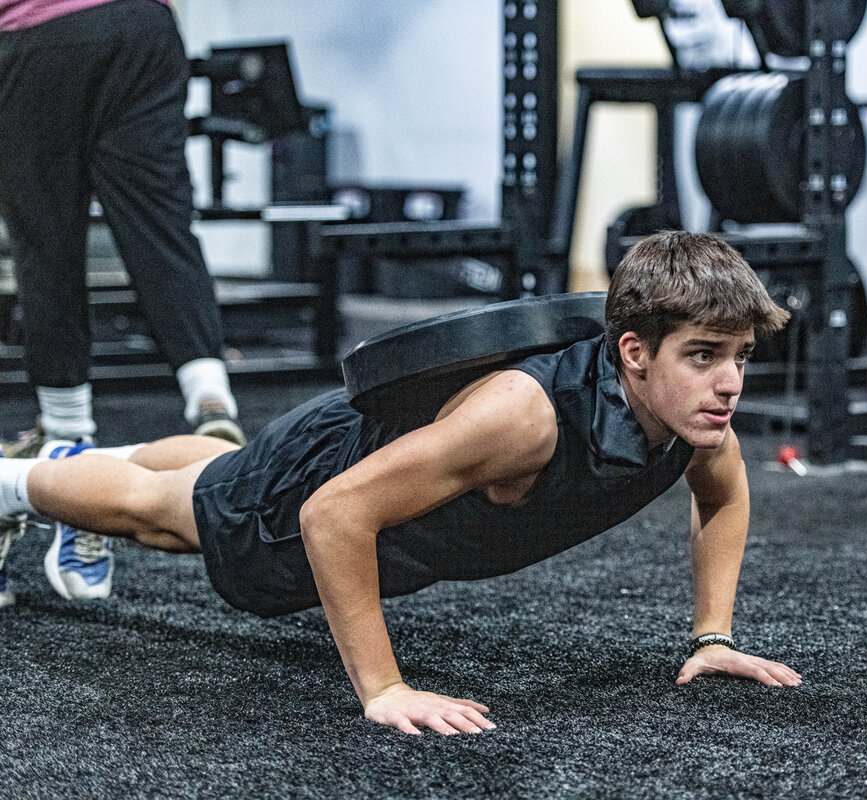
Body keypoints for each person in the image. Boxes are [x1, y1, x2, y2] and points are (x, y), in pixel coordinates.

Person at [0, 231, 802, 734]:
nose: (728, 382)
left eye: (739, 357)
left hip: (367, 452)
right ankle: (14, 486)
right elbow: (334, 513)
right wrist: (383, 688)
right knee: (160, 514)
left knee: (208, 475)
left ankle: (97, 465)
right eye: (704, 355)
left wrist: (714, 637)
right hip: (311, 485)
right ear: (635, 352)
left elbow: (723, 496)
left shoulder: (693, 423)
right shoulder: (526, 419)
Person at [0, 0, 244, 601]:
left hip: (38, 34)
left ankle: (67, 437)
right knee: (163, 227)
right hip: (143, 27)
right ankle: (209, 394)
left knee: (46, 242)